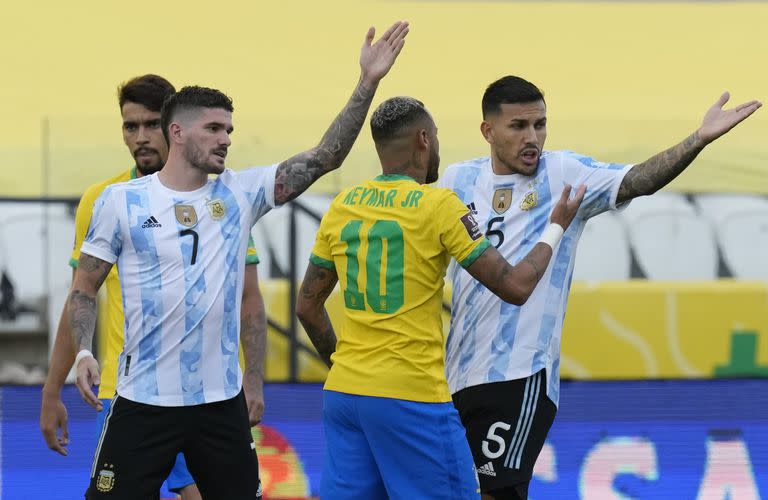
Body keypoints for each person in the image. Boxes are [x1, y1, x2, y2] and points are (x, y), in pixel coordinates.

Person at [64, 21, 409, 499]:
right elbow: (84, 288)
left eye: (228, 128)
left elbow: (327, 156)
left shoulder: (241, 194)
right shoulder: (120, 202)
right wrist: (83, 351)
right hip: (142, 400)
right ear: (178, 132)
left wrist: (367, 83)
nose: (226, 138)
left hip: (218, 407)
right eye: (214, 128)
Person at [440, 75, 762, 500]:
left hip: (521, 372)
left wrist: (698, 140)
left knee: (500, 494)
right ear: (487, 131)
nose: (532, 137)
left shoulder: (563, 173)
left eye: (540, 124)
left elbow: (638, 179)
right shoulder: (456, 180)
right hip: (455, 376)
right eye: (518, 126)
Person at [295, 96, 585, 499]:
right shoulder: (437, 205)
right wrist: (556, 228)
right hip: (410, 397)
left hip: (344, 397)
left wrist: (347, 367)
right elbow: (515, 286)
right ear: (424, 139)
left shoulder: (343, 206)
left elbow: (307, 307)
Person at [39, 74, 266, 499]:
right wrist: (52, 389)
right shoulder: (106, 198)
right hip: (129, 392)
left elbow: (249, 297)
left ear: (174, 129)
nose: (141, 137)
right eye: (130, 126)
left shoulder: (222, 198)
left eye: (150, 125)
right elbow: (82, 292)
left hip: (205, 396)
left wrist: (252, 379)